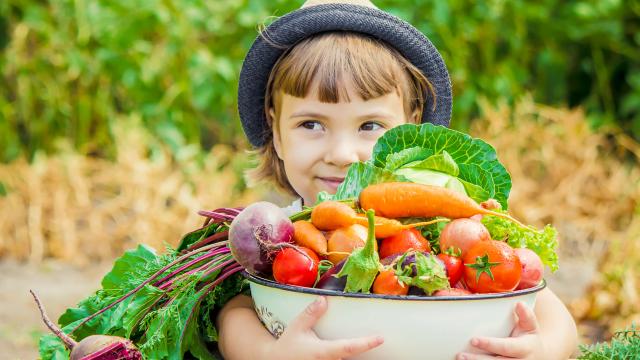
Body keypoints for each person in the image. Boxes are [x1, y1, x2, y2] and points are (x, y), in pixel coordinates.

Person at [217, 1, 578, 359]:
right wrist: (269, 353)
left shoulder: (446, 229)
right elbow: (233, 314)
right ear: (276, 132)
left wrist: (542, 349)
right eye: (311, 124)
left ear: (412, 126)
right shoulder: (277, 237)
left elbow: (550, 311)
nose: (342, 154)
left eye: (369, 126)